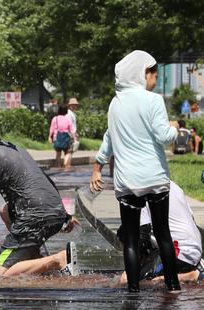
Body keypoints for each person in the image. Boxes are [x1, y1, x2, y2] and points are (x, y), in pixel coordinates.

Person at [90, 50, 181, 292]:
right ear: (143, 73)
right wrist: (177, 130)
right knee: (163, 234)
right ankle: (173, 287)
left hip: (127, 181)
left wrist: (97, 166)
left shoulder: (115, 103)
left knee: (130, 240)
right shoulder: (153, 100)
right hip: (155, 178)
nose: (155, 80)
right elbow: (163, 136)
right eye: (153, 74)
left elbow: (109, 139)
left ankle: (133, 291)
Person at [0, 119, 79, 277]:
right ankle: (35, 258)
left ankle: (58, 259)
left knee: (0, 274)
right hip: (53, 212)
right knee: (5, 211)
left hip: (35, 216)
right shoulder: (10, 146)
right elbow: (44, 180)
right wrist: (63, 213)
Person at [119, 181, 203, 285]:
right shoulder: (171, 184)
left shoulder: (139, 189)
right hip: (195, 249)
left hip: (180, 253)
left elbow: (141, 238)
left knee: (133, 282)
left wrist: (130, 269)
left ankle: (190, 275)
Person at [48, 105, 77, 170]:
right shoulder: (68, 119)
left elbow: (51, 128)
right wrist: (74, 138)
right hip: (66, 139)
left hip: (57, 138)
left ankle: (58, 166)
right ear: (66, 111)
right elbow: (71, 130)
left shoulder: (55, 118)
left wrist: (50, 137)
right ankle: (65, 164)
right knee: (67, 152)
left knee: (58, 154)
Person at [64, 98, 80, 169]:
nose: (75, 106)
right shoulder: (69, 114)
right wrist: (74, 135)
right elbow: (70, 126)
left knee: (68, 151)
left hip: (69, 134)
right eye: (73, 105)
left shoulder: (71, 113)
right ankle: (67, 166)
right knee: (70, 151)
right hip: (70, 134)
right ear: (70, 105)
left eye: (75, 105)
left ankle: (66, 165)